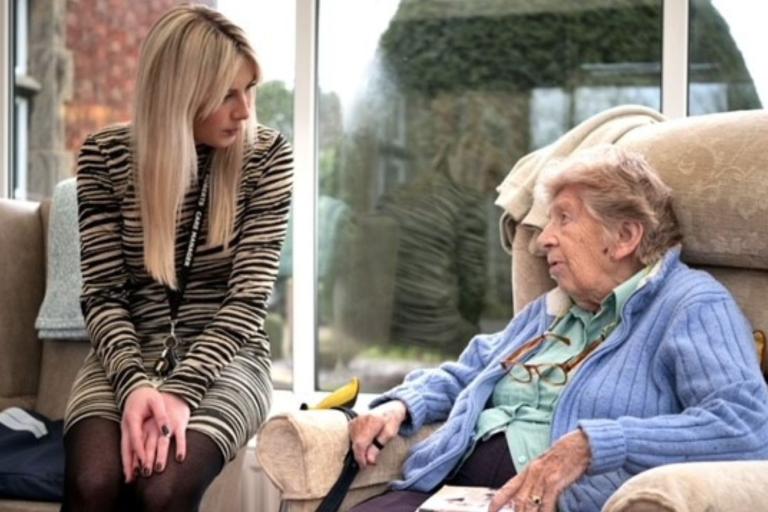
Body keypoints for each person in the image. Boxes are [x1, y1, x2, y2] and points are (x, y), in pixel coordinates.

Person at [347, 145, 768, 512]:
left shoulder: (691, 304)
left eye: (563, 219)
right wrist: (401, 404)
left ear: (624, 236)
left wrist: (594, 444)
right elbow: (470, 371)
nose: (541, 240)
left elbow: (746, 426)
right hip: (448, 492)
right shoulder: (551, 310)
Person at [61, 5, 292, 512]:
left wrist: (179, 393)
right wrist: (135, 386)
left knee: (163, 489)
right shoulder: (105, 158)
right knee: (93, 482)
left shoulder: (269, 157)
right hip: (123, 355)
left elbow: (248, 301)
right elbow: (103, 296)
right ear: (182, 93)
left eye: (249, 90)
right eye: (227, 94)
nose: (245, 111)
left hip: (229, 356)